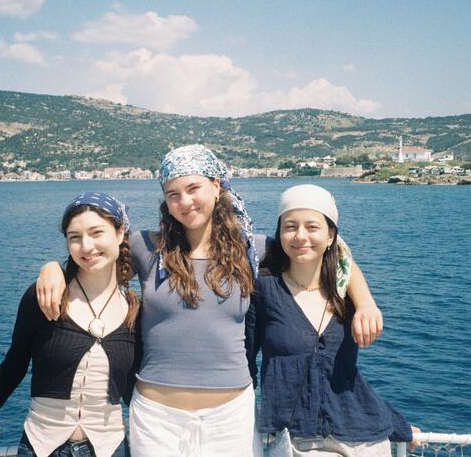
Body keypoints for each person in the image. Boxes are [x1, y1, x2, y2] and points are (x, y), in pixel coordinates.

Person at [36, 145, 383, 457]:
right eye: (173, 194)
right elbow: (92, 255)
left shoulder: (254, 251)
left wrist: (364, 302)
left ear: (217, 187)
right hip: (157, 417)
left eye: (193, 189)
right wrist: (52, 268)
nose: (184, 202)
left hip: (230, 416)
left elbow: (331, 252)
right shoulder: (147, 248)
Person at [0, 193, 140, 457]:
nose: (86, 246)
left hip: (111, 448)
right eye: (75, 237)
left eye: (97, 232)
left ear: (120, 233)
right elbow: (12, 367)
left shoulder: (133, 310)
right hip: (41, 447)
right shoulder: (44, 298)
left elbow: (136, 387)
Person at [247, 184, 416, 457]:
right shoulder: (264, 290)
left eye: (312, 227)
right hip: (297, 442)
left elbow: (347, 378)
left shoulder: (346, 295)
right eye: (290, 227)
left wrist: (399, 426)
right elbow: (245, 365)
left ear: (331, 236)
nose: (300, 236)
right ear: (279, 234)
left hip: (365, 441)